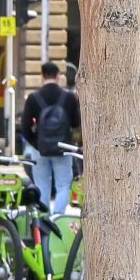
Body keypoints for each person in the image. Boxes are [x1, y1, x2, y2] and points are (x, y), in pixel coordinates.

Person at [16, 60, 82, 216]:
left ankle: (44, 219)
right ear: (58, 76)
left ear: (42, 76)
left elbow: (25, 127)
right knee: (64, 185)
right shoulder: (69, 97)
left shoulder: (33, 98)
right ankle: (58, 217)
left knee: (41, 185)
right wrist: (69, 141)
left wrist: (37, 143)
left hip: (40, 149)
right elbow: (76, 123)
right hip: (63, 148)